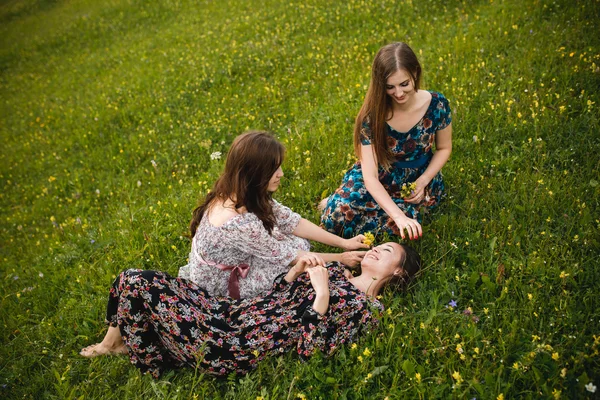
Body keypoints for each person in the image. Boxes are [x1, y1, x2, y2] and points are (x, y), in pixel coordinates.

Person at [79, 243, 421, 378]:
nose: (376, 250)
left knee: (138, 287)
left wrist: (322, 295)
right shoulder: (335, 270)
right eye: (378, 245)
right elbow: (276, 295)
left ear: (398, 272)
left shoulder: (366, 309)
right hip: (231, 313)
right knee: (135, 278)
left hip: (237, 345)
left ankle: (129, 346)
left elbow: (310, 352)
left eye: (387, 251)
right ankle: (125, 343)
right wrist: (295, 271)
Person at [179, 131, 368, 300]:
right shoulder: (238, 223)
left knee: (293, 238)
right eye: (274, 170)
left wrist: (345, 242)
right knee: (297, 253)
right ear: (254, 173)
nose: (281, 174)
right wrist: (341, 258)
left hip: (237, 255)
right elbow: (290, 256)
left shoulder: (239, 191)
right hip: (222, 283)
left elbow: (291, 221)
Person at [320, 42, 453, 240]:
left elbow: (444, 148)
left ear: (415, 73)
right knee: (335, 218)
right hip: (380, 176)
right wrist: (398, 216)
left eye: (404, 84)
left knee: (406, 227)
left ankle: (372, 210)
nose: (398, 93)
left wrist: (424, 181)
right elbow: (371, 178)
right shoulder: (372, 116)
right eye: (390, 87)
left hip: (418, 178)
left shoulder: (437, 104)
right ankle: (338, 202)